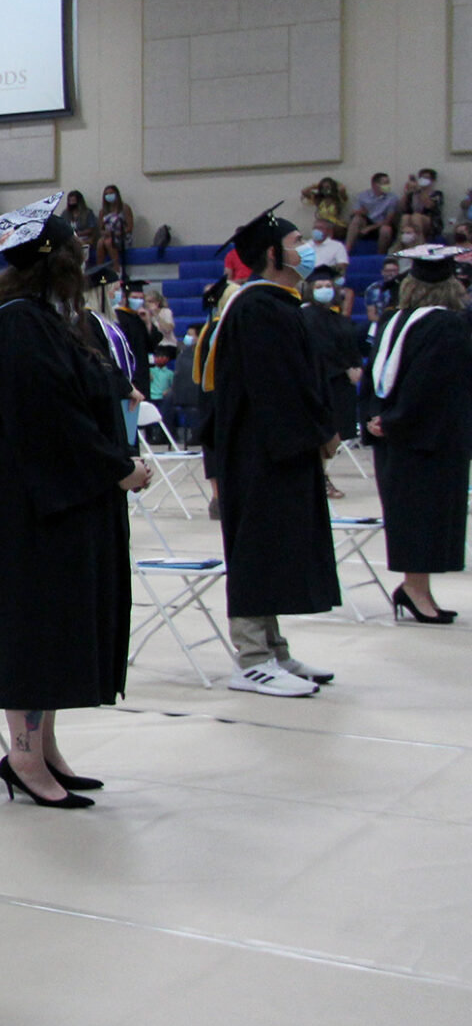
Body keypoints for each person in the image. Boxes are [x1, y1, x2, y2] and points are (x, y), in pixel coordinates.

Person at [0, 197, 152, 809]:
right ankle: (22, 754)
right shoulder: (18, 323)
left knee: (59, 630)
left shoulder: (38, 316)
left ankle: (45, 750)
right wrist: (116, 467)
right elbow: (48, 421)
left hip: (57, 509)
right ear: (55, 260)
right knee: (36, 633)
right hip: (33, 515)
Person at [198, 205, 341, 697]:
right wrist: (320, 431)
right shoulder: (256, 307)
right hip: (260, 455)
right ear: (272, 252)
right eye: (297, 240)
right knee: (257, 551)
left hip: (276, 451)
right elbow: (278, 388)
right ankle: (252, 658)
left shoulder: (275, 304)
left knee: (274, 549)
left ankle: (274, 649)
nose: (305, 248)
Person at [368, 247, 472, 623]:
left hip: (394, 436)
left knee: (409, 515)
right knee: (426, 516)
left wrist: (376, 419)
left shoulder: (391, 320)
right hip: (429, 438)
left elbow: (374, 377)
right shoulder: (448, 325)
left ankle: (417, 588)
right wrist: (396, 420)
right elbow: (430, 384)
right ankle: (414, 590)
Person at [299, 266, 366, 497]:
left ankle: (319, 476)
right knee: (325, 435)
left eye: (328, 286)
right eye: (319, 287)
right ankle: (319, 477)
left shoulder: (337, 317)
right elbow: (320, 349)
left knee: (338, 434)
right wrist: (344, 367)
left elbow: (349, 343)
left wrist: (356, 365)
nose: (325, 290)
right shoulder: (305, 316)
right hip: (323, 381)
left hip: (342, 384)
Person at [348, 172, 399, 254]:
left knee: (386, 230)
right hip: (366, 222)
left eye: (388, 183)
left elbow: (388, 220)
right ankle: (347, 251)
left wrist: (370, 228)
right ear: (374, 185)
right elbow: (353, 213)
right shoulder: (362, 196)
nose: (388, 185)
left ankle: (380, 256)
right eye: (385, 183)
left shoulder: (392, 198)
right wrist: (360, 212)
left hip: (380, 225)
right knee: (356, 219)